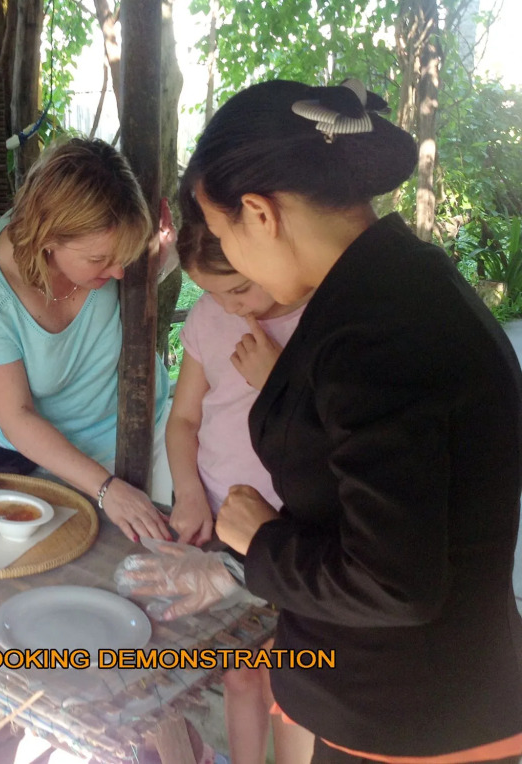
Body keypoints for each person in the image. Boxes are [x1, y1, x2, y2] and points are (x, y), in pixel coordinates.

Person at [180, 77, 522, 763]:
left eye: (221, 234)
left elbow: (392, 582)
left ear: (259, 214)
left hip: (416, 722)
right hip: (405, 698)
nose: (230, 260)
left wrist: (262, 542)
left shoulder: (377, 333)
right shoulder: (393, 285)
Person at [0, 138, 173, 541]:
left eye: (122, 257)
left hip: (146, 431)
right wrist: (106, 488)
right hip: (38, 458)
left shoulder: (105, 242)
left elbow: (138, 272)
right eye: (99, 260)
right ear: (48, 239)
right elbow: (17, 416)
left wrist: (153, 262)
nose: (118, 273)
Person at [166, 223, 314, 764]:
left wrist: (277, 382)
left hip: (295, 533)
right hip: (221, 525)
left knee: (291, 677)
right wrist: (189, 493)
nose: (229, 306)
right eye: (211, 292)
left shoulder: (321, 320)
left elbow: (335, 434)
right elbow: (184, 420)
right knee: (239, 670)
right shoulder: (210, 317)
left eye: (238, 289)